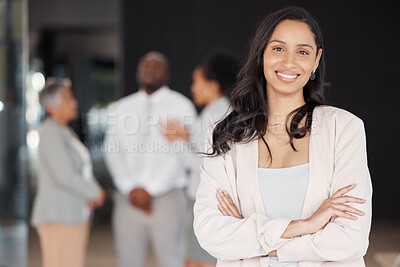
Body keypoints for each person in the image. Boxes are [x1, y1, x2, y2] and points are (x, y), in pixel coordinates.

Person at [193, 6, 372, 267]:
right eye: (278, 48)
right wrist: (304, 226)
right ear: (261, 54)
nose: (289, 62)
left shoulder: (343, 129)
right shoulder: (227, 135)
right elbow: (210, 232)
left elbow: (351, 239)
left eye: (302, 52)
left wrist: (261, 243)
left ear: (316, 61)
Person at [104, 51, 197, 267]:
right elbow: (112, 150)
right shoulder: (122, 107)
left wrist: (152, 190)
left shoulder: (181, 106)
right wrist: (129, 187)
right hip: (129, 199)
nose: (149, 70)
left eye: (156, 67)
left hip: (167, 199)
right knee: (128, 261)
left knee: (172, 261)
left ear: (167, 74)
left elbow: (181, 155)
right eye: (145, 66)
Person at [161, 50, 239, 267]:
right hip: (208, 200)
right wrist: (186, 140)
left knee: (200, 262)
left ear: (212, 86)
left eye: (196, 81)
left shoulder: (216, 115)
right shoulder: (218, 112)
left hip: (208, 201)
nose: (192, 87)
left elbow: (205, 164)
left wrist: (175, 141)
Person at [31, 77, 105, 267]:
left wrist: (93, 190)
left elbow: (82, 171)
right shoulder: (50, 133)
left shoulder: (63, 131)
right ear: (52, 107)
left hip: (71, 215)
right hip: (58, 216)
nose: (75, 102)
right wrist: (95, 193)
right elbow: (65, 175)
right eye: (68, 99)